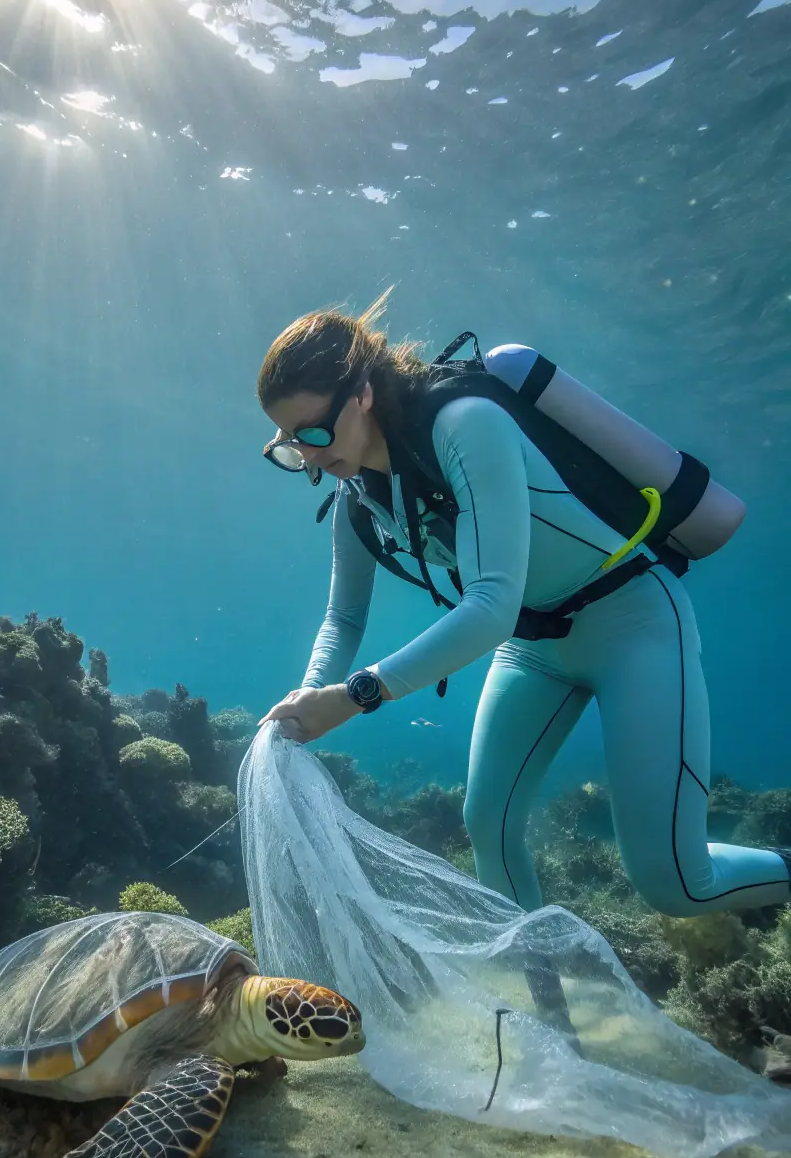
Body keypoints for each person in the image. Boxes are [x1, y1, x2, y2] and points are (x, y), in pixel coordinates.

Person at [256, 292, 791, 919]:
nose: (311, 457)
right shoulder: (360, 500)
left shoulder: (465, 424)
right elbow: (343, 619)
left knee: (676, 882)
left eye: (315, 432)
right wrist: (302, 704)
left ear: (362, 393)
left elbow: (490, 605)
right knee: (489, 825)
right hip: (534, 650)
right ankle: (541, 1011)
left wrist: (353, 697)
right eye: (290, 446)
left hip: (633, 623)